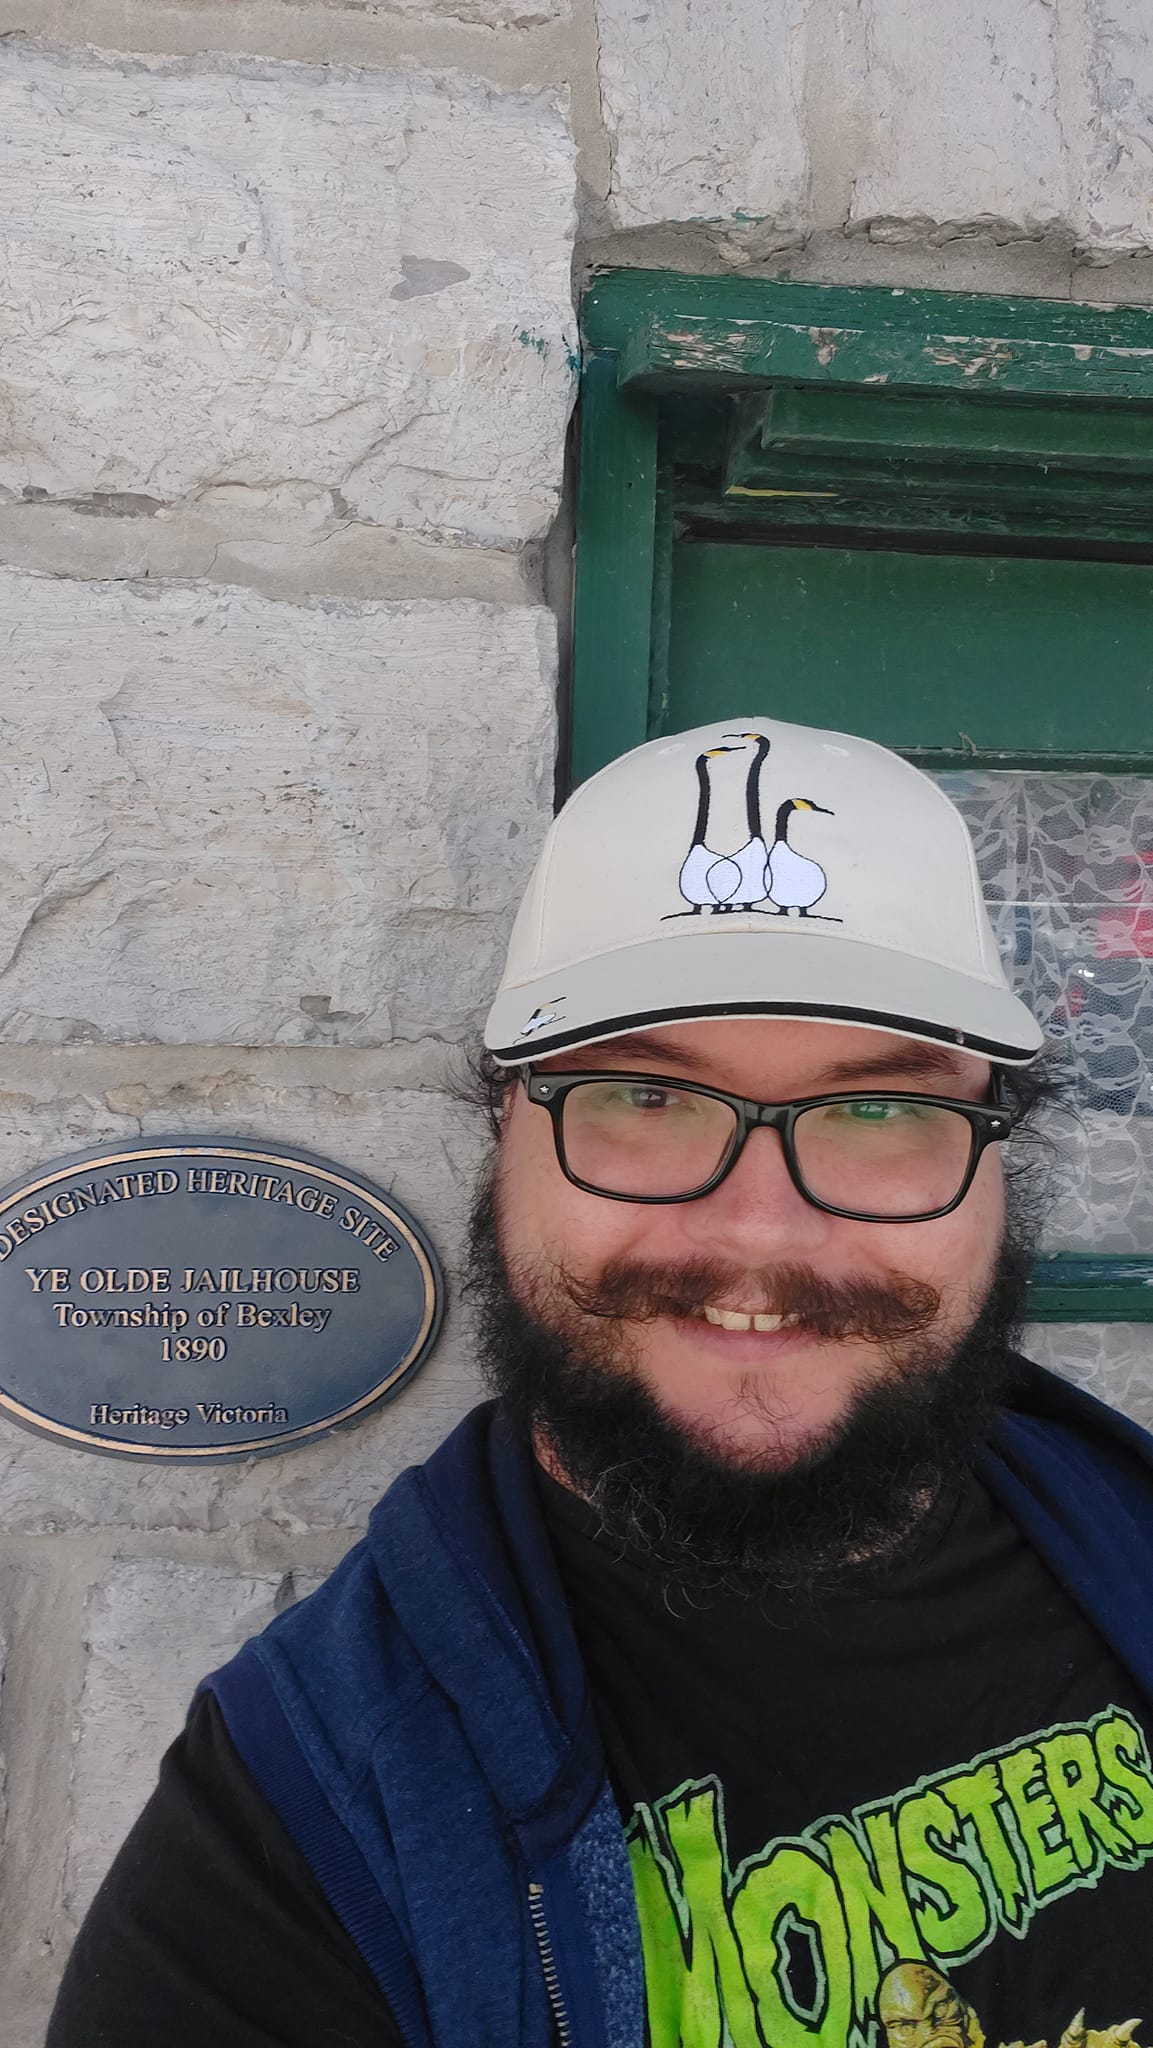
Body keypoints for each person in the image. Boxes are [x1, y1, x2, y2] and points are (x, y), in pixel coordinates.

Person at [48, 718, 1153, 2048]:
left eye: (875, 1111)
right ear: (503, 1130)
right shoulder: (308, 1820)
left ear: (995, 1157)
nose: (757, 1234)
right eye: (643, 1095)